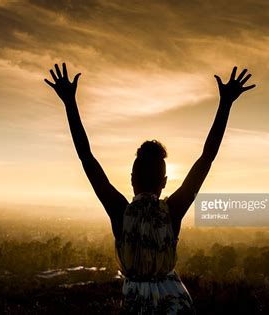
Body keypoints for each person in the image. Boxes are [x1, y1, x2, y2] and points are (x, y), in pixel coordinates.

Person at [44, 64, 255, 314]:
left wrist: (69, 103)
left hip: (136, 304)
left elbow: (86, 157)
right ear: (165, 181)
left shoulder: (120, 212)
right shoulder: (171, 211)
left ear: (132, 178)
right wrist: (226, 104)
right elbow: (206, 158)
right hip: (176, 303)